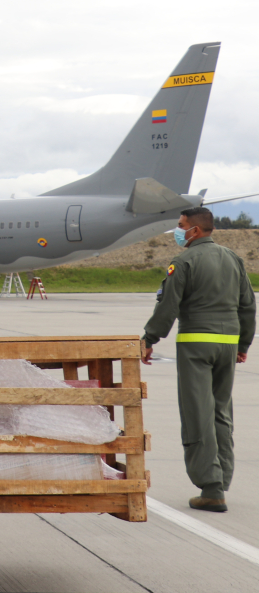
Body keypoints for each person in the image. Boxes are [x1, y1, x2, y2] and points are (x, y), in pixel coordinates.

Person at [142, 206, 255, 513]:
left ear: (195, 230)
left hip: (196, 345)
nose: (178, 231)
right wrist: (243, 343)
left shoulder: (184, 261)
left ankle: (211, 487)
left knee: (198, 413)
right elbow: (248, 305)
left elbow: (168, 307)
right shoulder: (233, 259)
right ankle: (222, 477)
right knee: (220, 411)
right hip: (228, 345)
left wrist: (149, 339)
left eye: (181, 226)